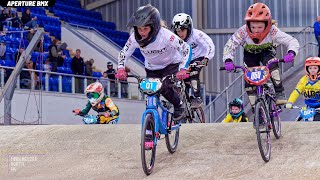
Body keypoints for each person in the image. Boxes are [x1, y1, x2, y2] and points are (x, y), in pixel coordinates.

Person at [116, 4, 192, 122]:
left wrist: (183, 68)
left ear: (154, 26)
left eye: (145, 28)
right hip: (151, 68)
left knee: (165, 88)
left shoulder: (166, 35)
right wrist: (121, 68)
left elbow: (186, 48)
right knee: (150, 93)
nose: (142, 32)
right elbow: (124, 53)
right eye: (139, 28)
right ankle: (150, 125)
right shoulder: (134, 38)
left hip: (170, 65)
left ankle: (179, 104)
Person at [223, 2, 299, 108]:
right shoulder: (242, 31)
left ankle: (279, 92)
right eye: (253, 27)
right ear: (248, 24)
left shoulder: (273, 31)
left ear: (267, 24)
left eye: (260, 27)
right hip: (250, 54)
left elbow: (291, 41)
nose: (256, 30)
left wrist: (291, 52)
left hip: (266, 52)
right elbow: (230, 46)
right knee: (249, 85)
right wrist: (228, 60)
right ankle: (256, 111)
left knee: (273, 66)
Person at [171, 13, 215, 106]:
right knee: (177, 78)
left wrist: (207, 58)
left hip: (198, 57)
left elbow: (209, 45)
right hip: (184, 60)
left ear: (189, 28)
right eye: (178, 30)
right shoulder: (174, 38)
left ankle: (197, 98)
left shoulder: (197, 35)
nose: (180, 33)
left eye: (183, 30)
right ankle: (182, 101)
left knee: (193, 73)